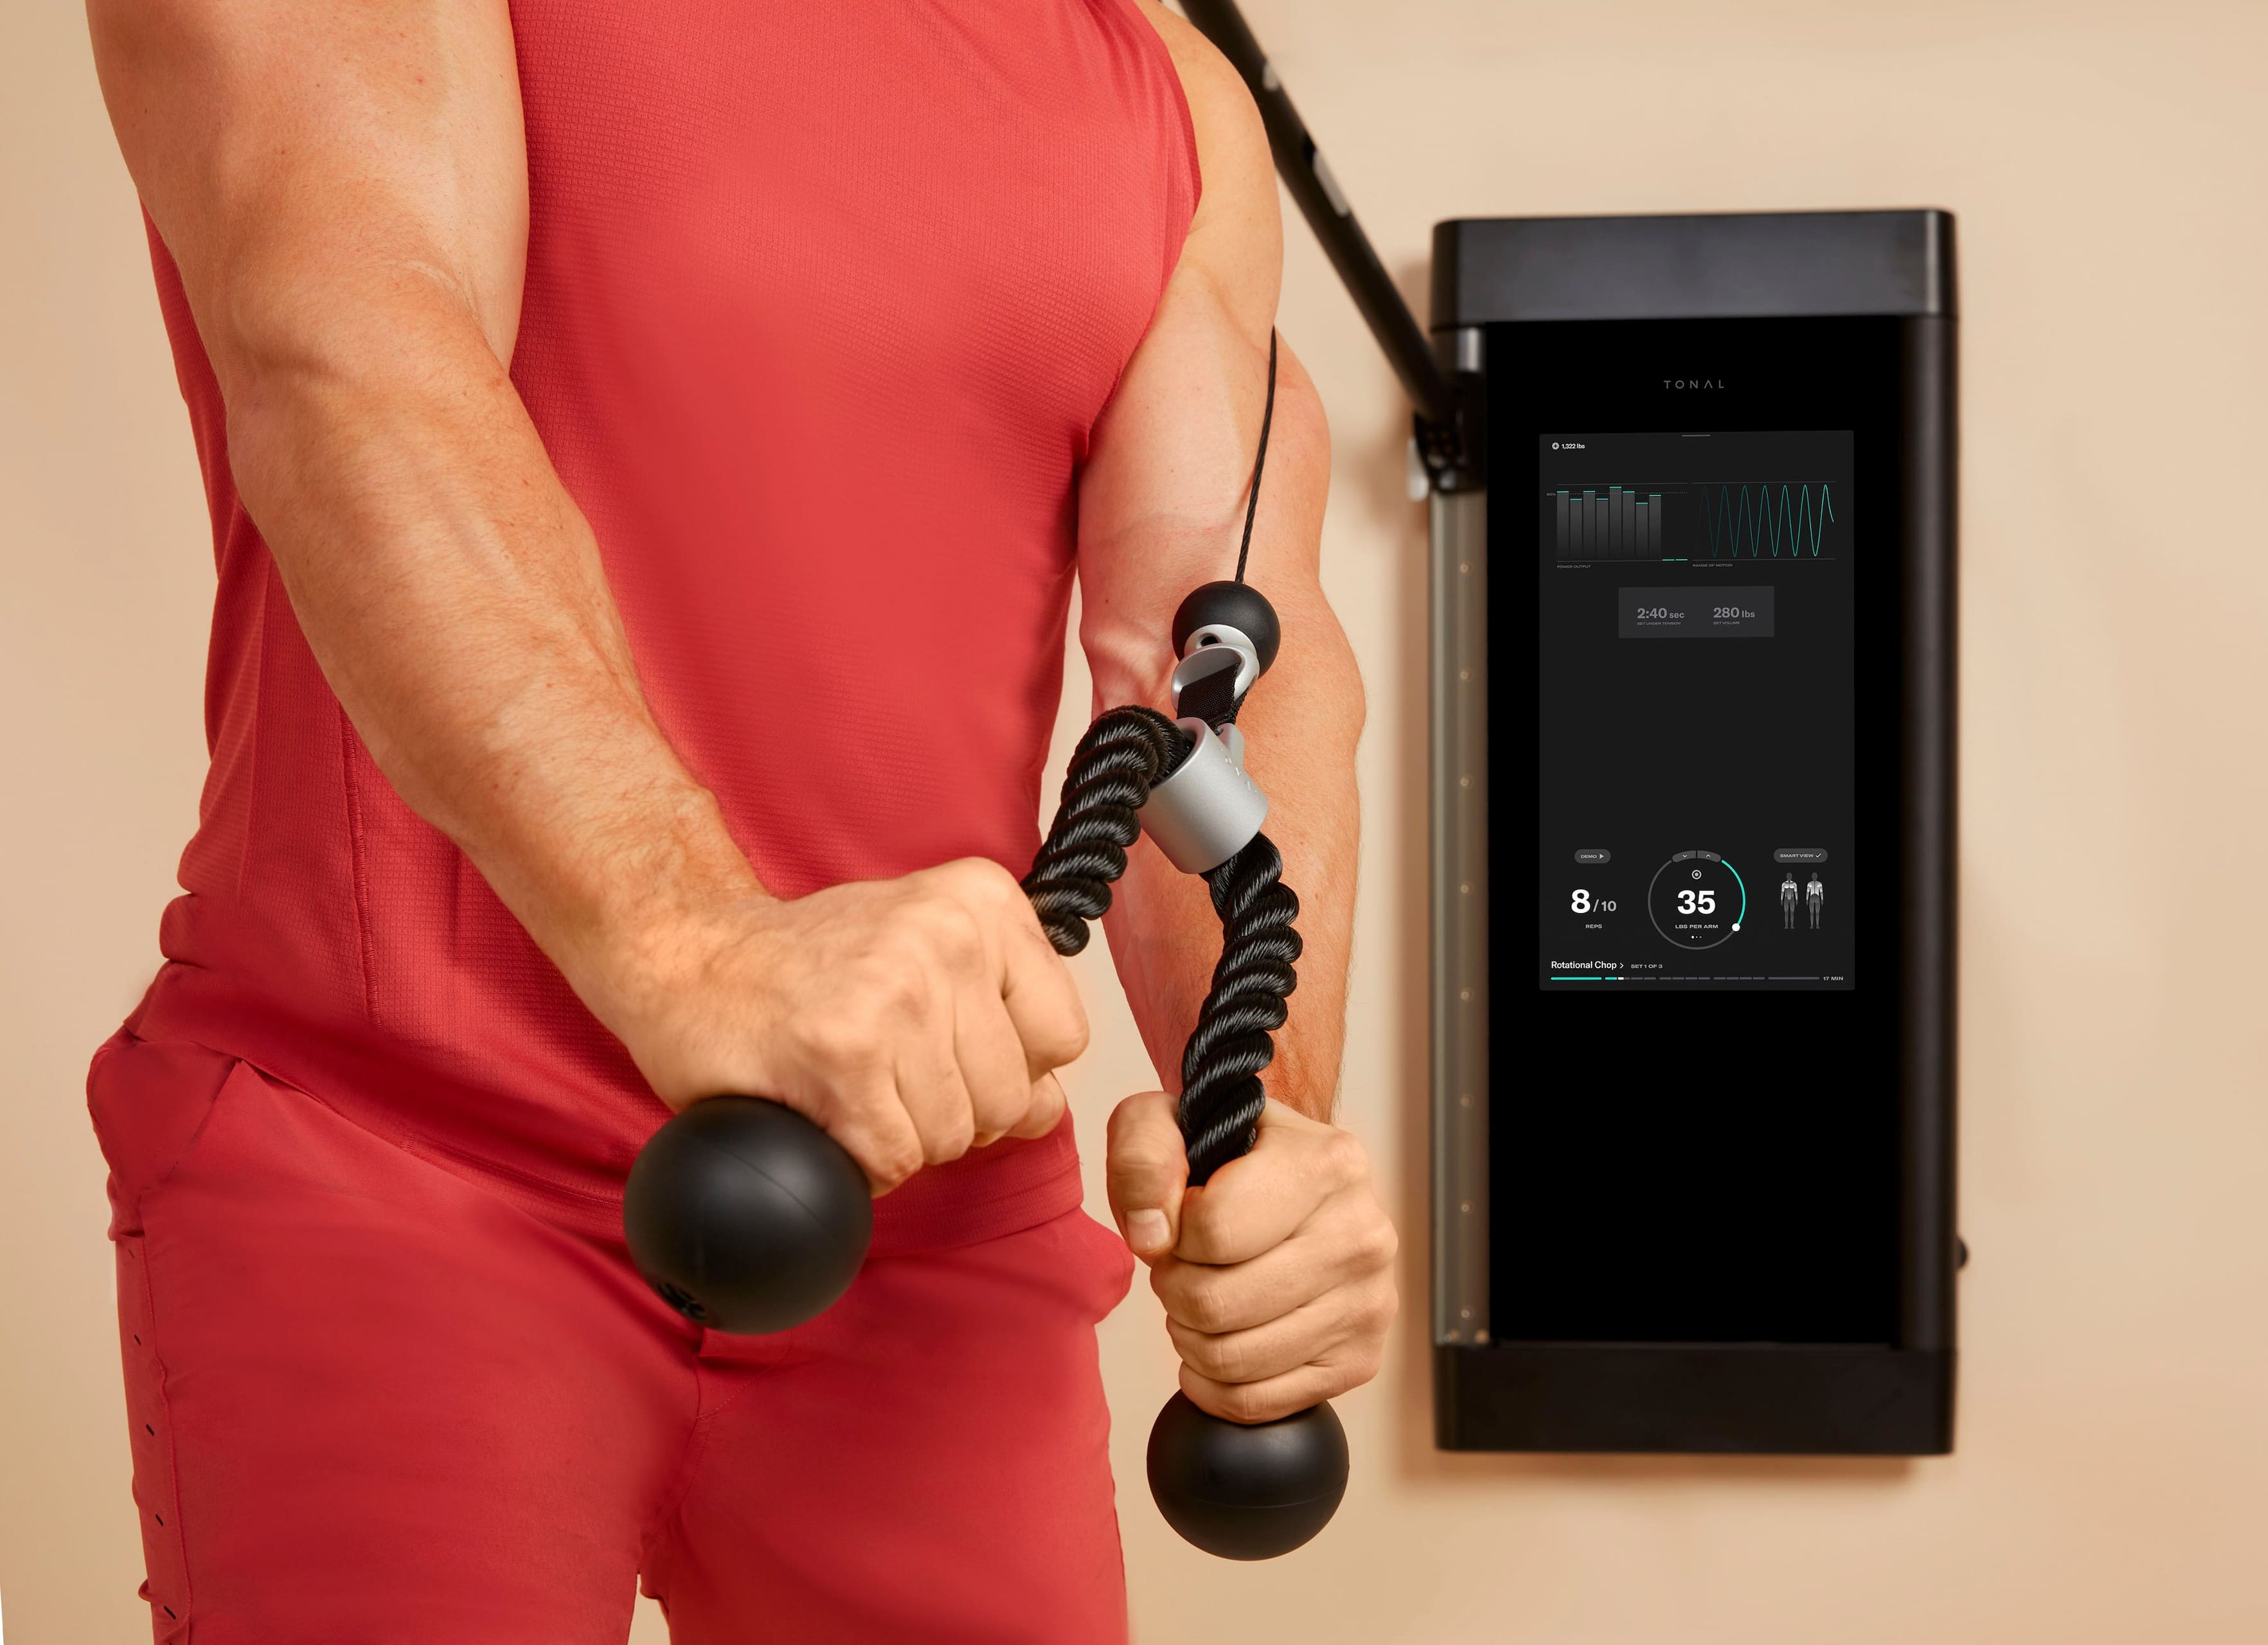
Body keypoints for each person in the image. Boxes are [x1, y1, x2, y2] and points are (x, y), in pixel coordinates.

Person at [81, 0, 1398, 1637]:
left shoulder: (1169, 101)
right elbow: (352, 355)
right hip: (398, 1150)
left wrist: (1260, 1123)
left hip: (922, 1198)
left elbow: (1221, 653)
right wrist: (691, 936)